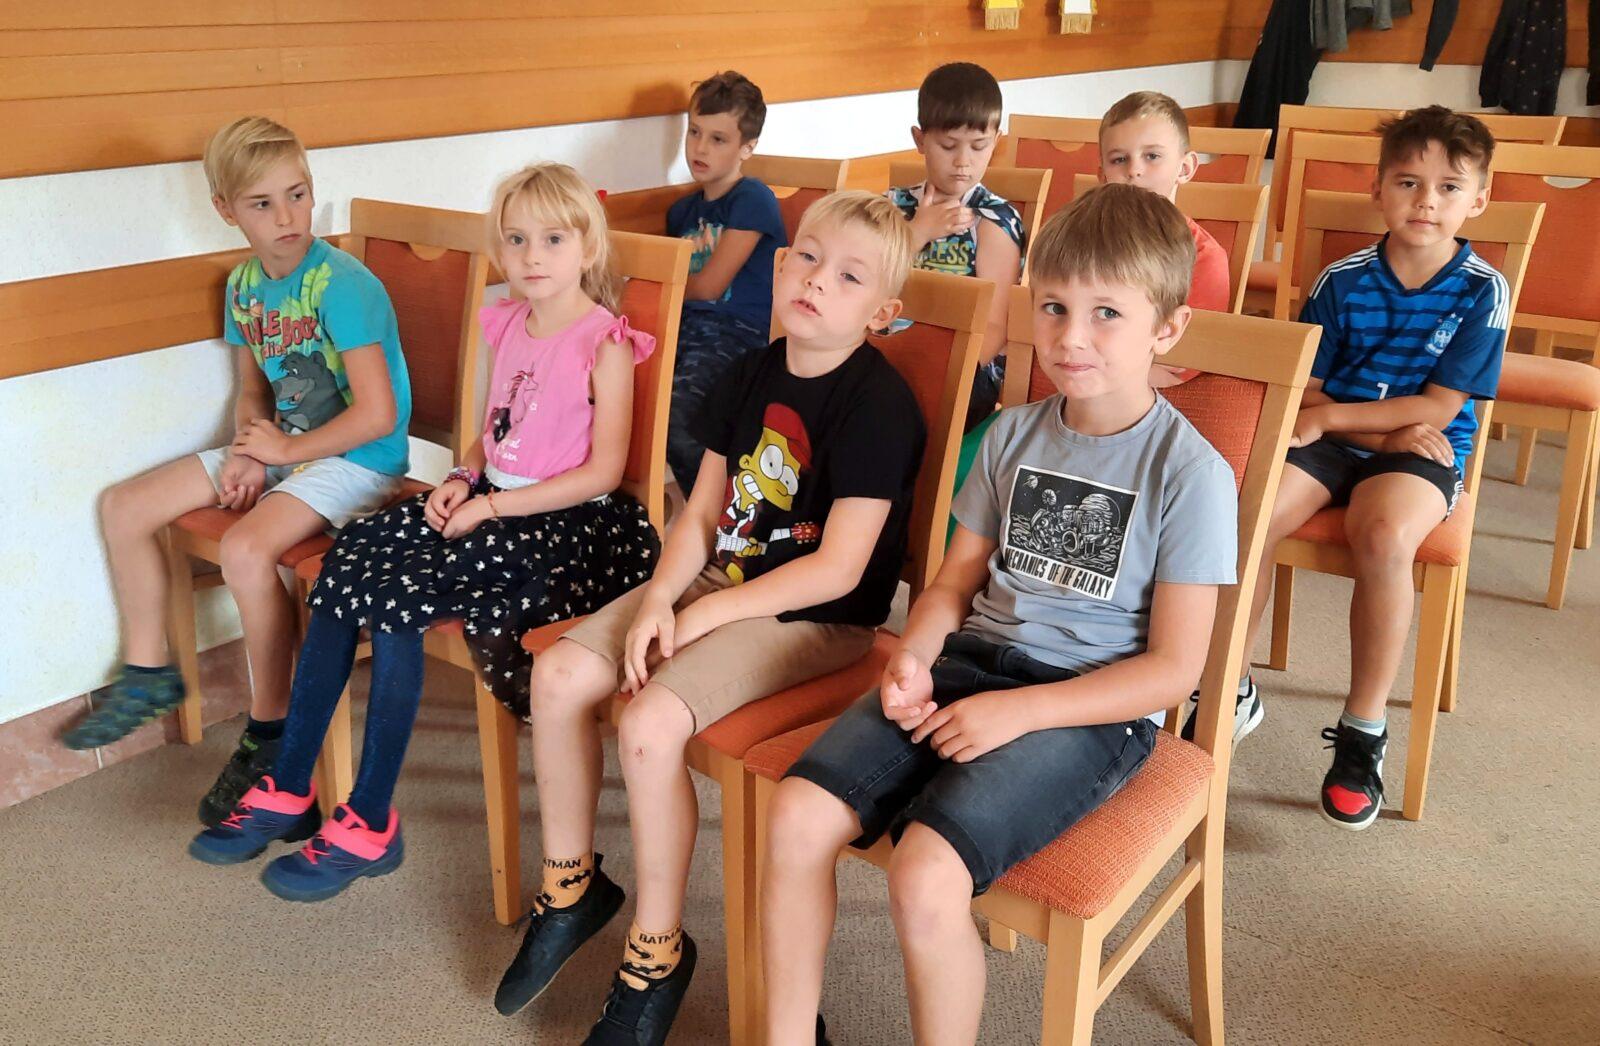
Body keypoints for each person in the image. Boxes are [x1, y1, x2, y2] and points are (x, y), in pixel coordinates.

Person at [759, 184, 1238, 1045]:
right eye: (1053, 307)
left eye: (1106, 313)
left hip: (1092, 708)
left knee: (923, 874)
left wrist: (1019, 712)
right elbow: (952, 584)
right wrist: (914, 655)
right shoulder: (1012, 435)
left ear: (1167, 328)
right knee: (796, 816)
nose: (1071, 336)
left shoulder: (1190, 473)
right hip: (968, 666)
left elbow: (1173, 673)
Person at [494, 191, 925, 1046]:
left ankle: (655, 952)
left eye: (849, 277)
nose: (816, 281)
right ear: (781, 264)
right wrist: (661, 596)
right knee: (559, 673)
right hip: (714, 579)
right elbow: (699, 514)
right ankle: (572, 887)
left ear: (882, 312)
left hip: (816, 618)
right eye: (807, 258)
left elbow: (839, 568)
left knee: (649, 725)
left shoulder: (878, 404)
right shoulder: (749, 373)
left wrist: (707, 614)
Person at [188, 163, 660, 900]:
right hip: (490, 500)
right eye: (515, 240)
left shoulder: (605, 342)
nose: (532, 256)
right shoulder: (511, 323)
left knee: (396, 601)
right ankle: (288, 785)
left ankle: (369, 820)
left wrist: (489, 510)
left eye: (553, 239)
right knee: (347, 562)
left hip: (567, 527)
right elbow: (494, 434)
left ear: (588, 247)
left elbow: (603, 471)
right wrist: (462, 478)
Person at [74, 116, 413, 832]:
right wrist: (248, 452)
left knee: (245, 548)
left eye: (297, 195)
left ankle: (272, 734)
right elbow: (254, 392)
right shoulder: (244, 288)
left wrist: (280, 455)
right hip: (287, 449)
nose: (287, 217)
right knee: (125, 506)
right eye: (263, 203)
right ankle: (147, 672)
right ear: (226, 210)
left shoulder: (343, 286)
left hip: (358, 460)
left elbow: (379, 416)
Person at [1220, 106, 1506, 831]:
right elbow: (1307, 386)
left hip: (1420, 451)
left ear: (1478, 200)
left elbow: (1438, 408)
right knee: (1250, 517)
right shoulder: (1342, 280)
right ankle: (1229, 687)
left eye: (1448, 187)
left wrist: (1336, 420)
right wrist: (1348, 423)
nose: (1426, 201)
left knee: (1382, 536)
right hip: (1351, 436)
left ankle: (1362, 731)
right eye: (1408, 182)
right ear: (1378, 190)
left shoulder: (1482, 289)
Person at [663, 70, 788, 491]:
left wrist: (653, 285)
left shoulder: (753, 198)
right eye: (694, 132)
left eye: (718, 139)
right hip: (684, 329)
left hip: (739, 333)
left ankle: (722, 512)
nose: (700, 148)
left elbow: (708, 287)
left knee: (680, 422)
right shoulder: (681, 213)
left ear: (747, 147)